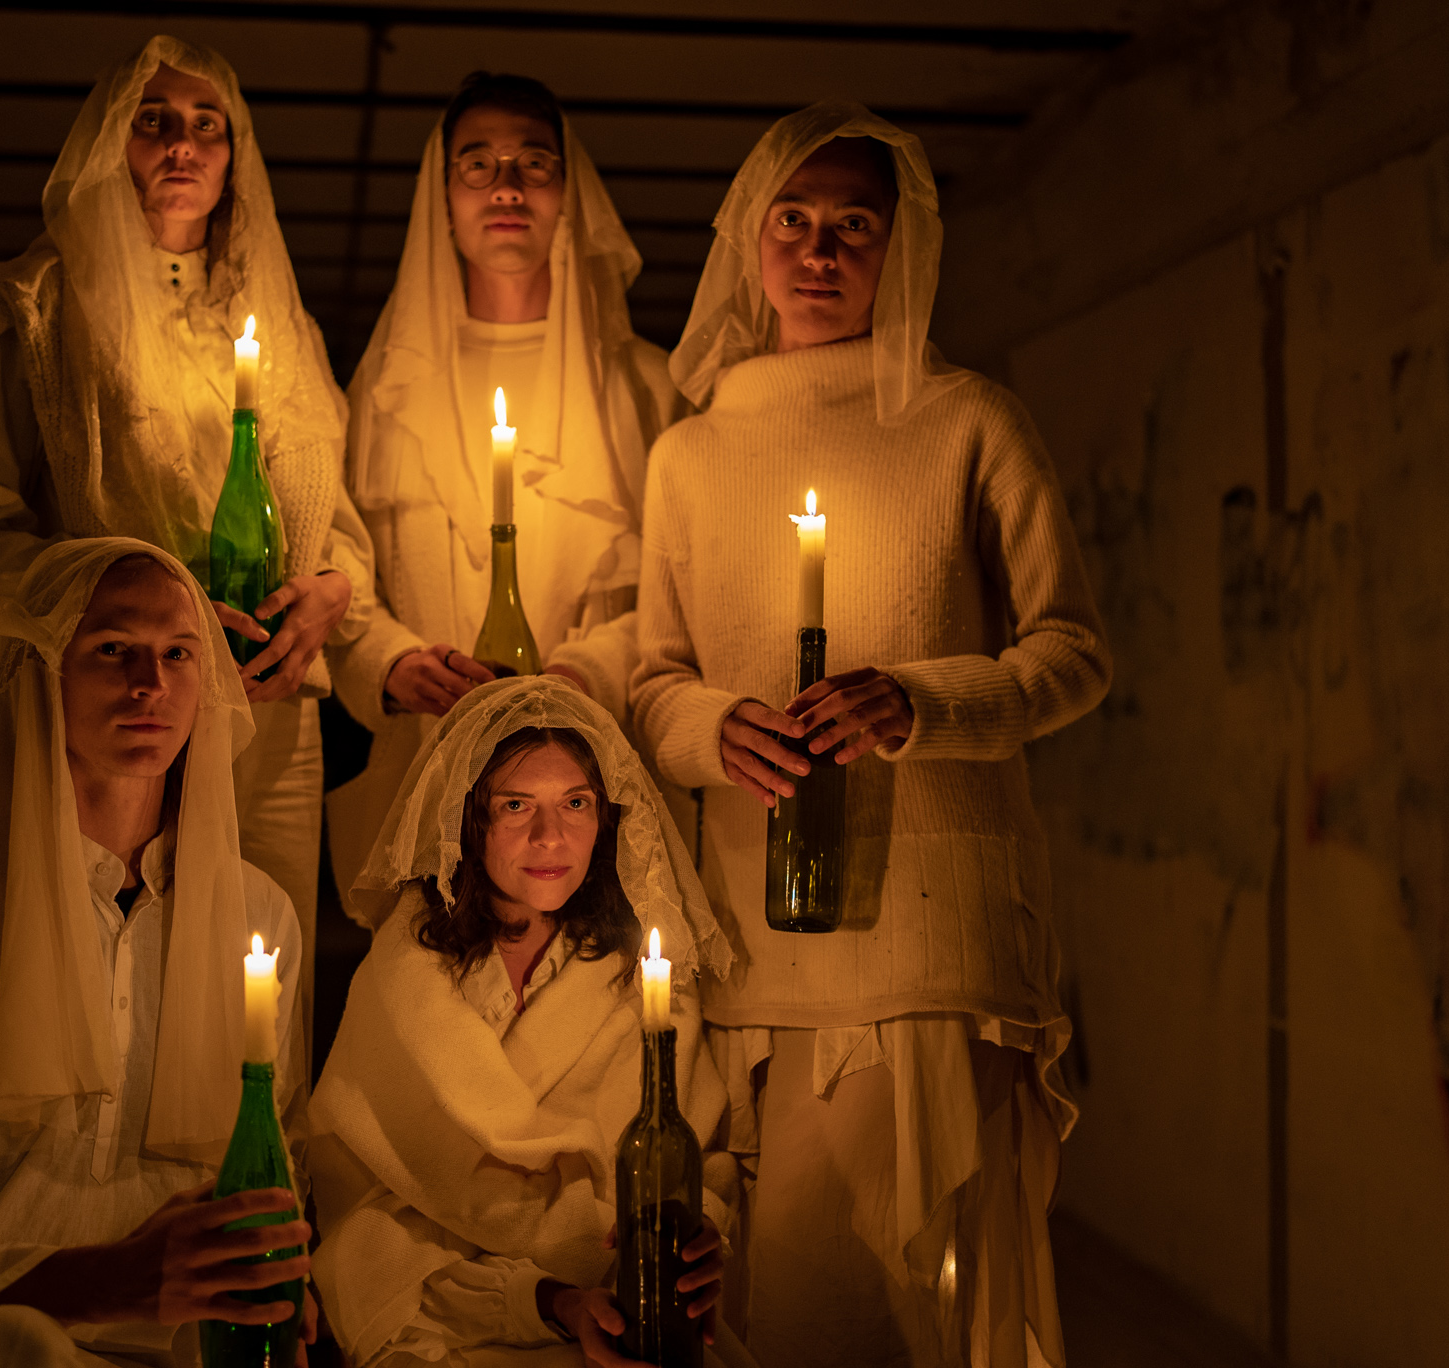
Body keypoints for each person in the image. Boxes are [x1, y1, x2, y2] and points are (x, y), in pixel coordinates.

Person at [631, 102, 1112, 1367]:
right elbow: (649, 680)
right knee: (772, 1291)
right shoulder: (685, 455)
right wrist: (712, 730)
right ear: (747, 243)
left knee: (919, 1307)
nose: (819, 251)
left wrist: (920, 699)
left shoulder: (966, 421)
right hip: (753, 940)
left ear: (902, 249)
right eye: (790, 221)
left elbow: (1072, 652)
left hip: (932, 941)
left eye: (854, 225)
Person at [0, 35, 372, 1042]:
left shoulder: (283, 331)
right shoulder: (47, 313)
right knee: (111, 986)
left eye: (210, 126)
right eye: (154, 120)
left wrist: (331, 592)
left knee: (255, 986)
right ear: (106, 142)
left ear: (237, 157)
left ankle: (253, 1191)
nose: (182, 145)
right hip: (116, 707)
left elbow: (329, 521)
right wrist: (124, 596)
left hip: (269, 714)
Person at [0, 540, 315, 1368]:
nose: (150, 684)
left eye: (179, 654)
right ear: (40, 672)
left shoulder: (261, 922)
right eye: (113, 649)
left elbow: (268, 1168)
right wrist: (100, 1282)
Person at [308, 678, 747, 1367]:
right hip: (440, 1323)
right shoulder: (403, 977)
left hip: (622, 1311)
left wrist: (695, 1244)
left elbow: (697, 1167)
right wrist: (547, 1299)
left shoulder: (646, 977)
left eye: (577, 803)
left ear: (608, 818)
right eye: (516, 806)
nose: (551, 837)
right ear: (467, 818)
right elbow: (368, 1225)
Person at [324, 73, 687, 900]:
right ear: (442, 197)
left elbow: (687, 592)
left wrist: (587, 672)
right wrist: (394, 661)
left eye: (534, 162)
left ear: (571, 193)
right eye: (477, 164)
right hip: (429, 771)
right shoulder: (384, 392)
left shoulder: (647, 391)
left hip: (600, 782)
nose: (508, 186)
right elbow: (341, 570)